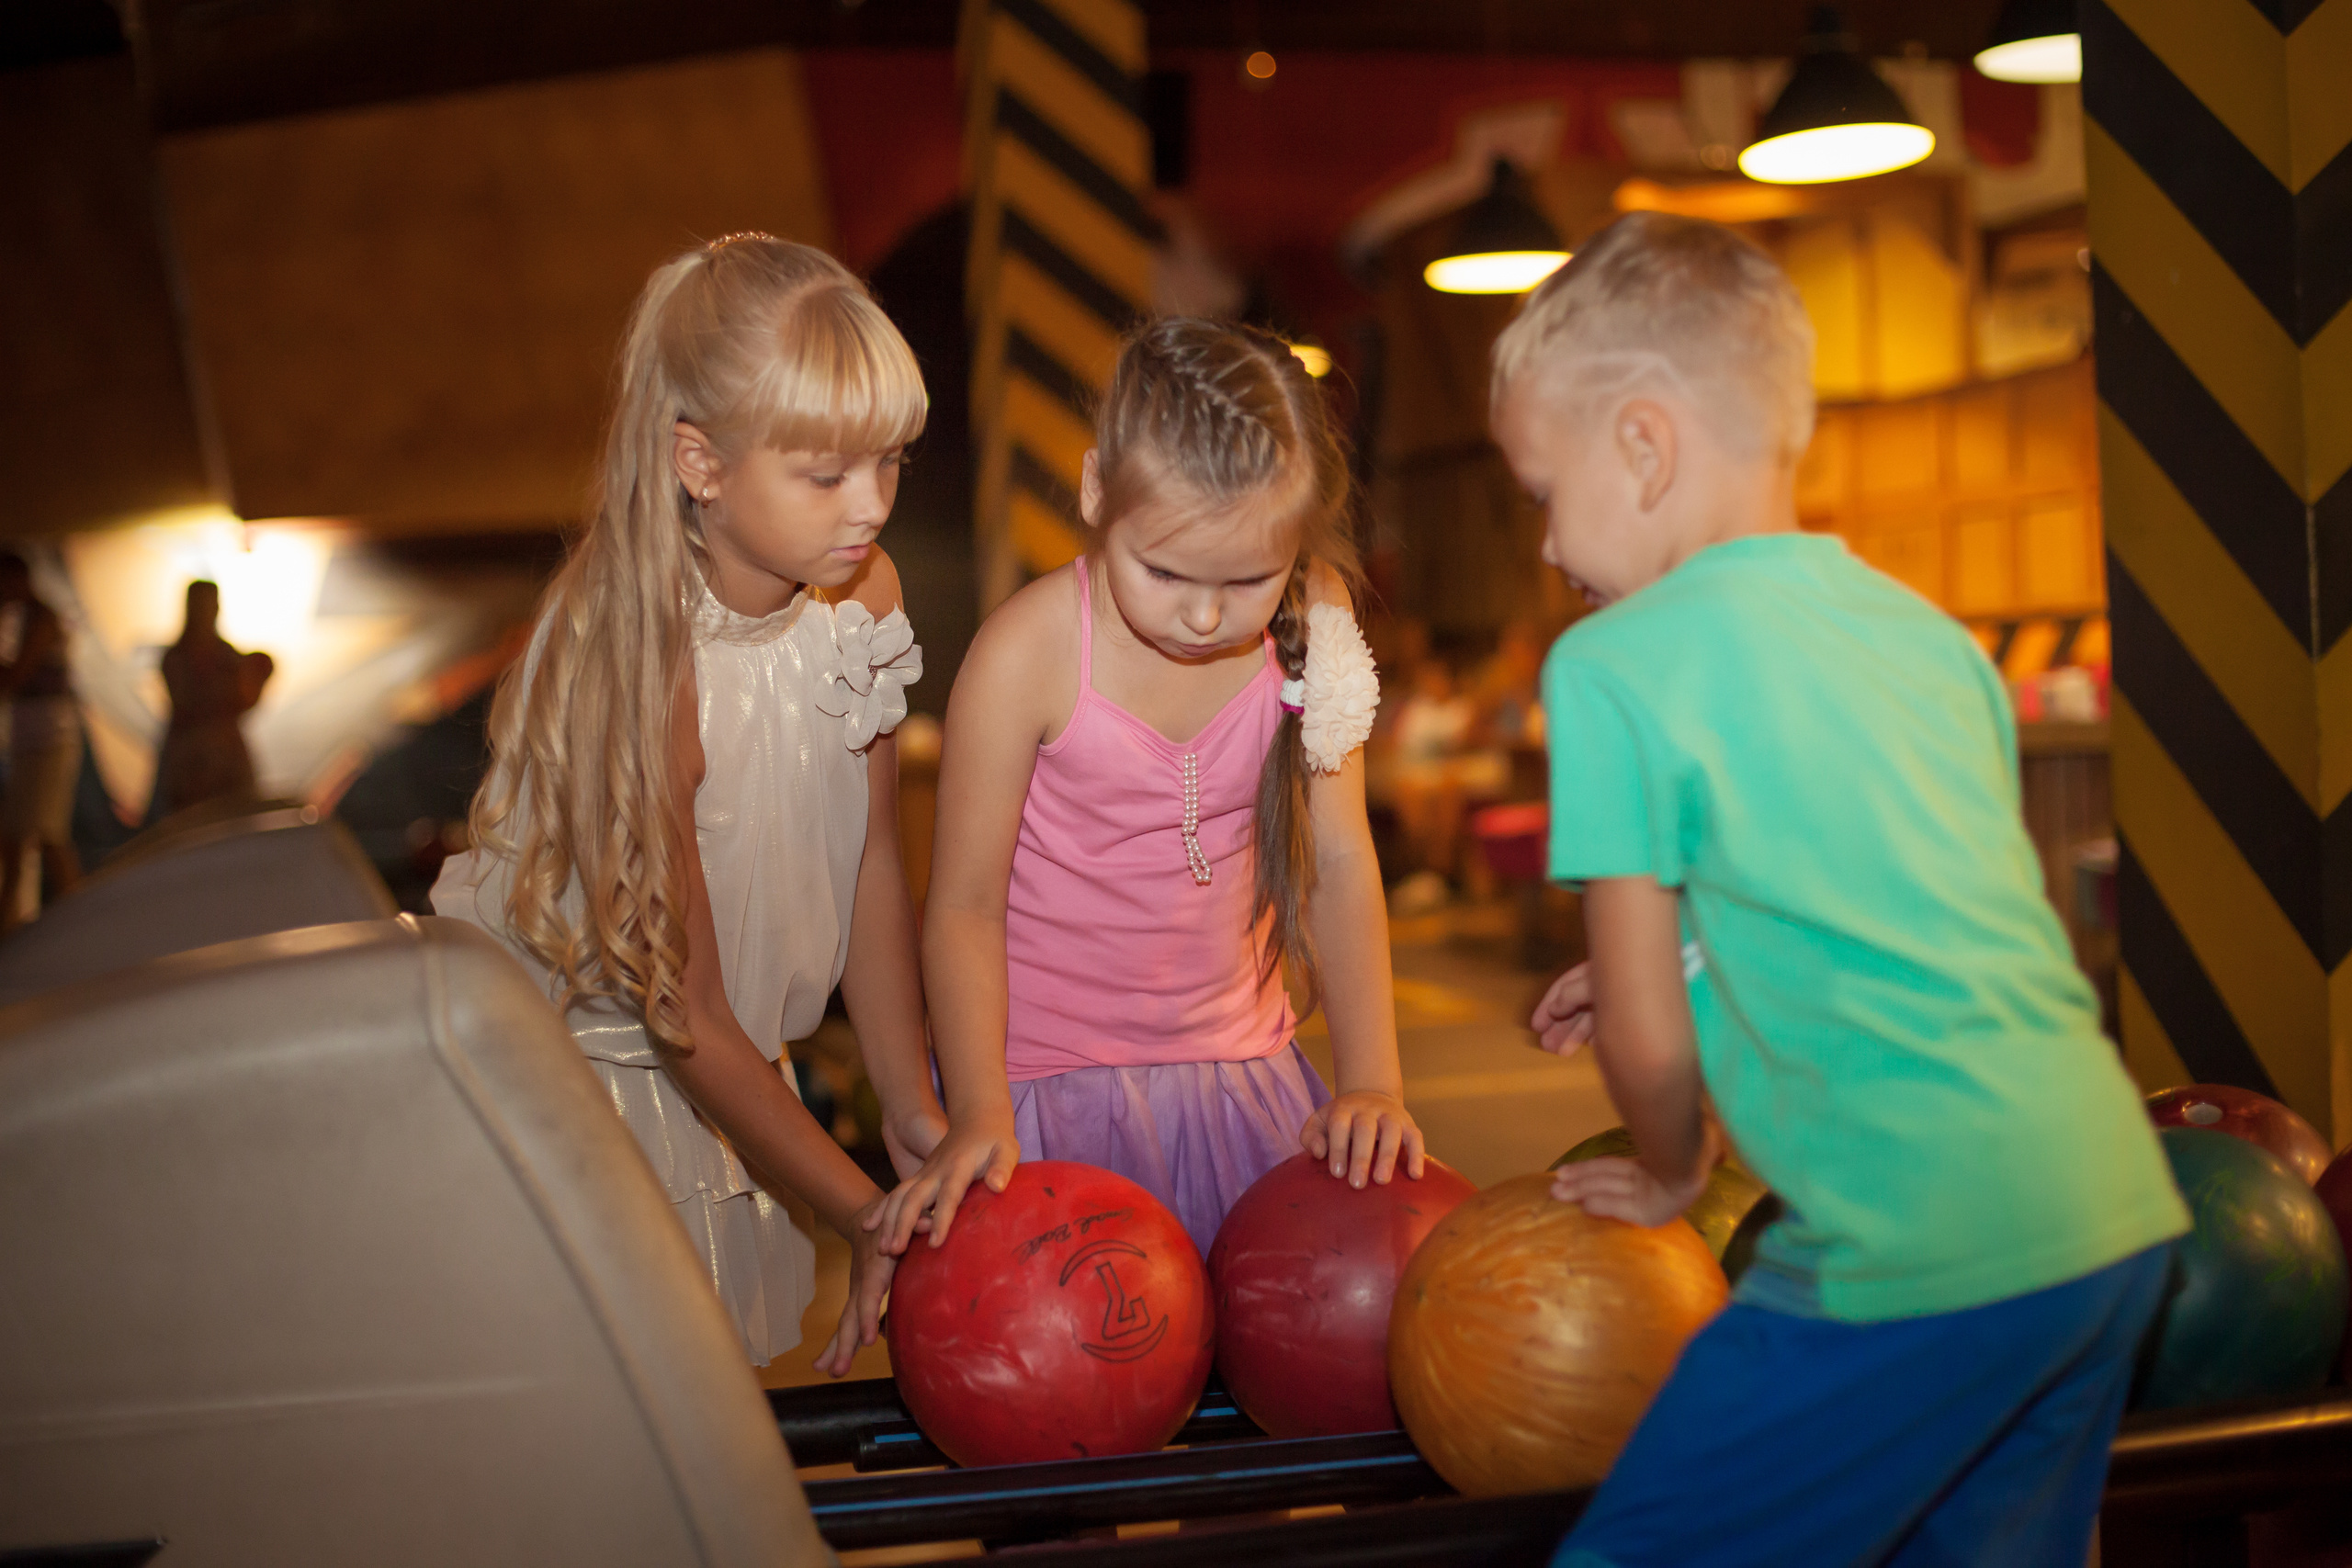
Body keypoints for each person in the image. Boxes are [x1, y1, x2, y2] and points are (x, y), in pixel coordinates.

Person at [1492, 213, 2189, 1568]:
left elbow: (1640, 1033)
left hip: (1911, 1245)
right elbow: (1905, 904)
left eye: (1538, 490)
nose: (1543, 543)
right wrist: (1701, 948)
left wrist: (1673, 1164)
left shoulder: (1613, 663)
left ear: (1641, 444)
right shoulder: (1929, 638)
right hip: (2108, 1213)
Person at [433, 234, 947, 1373]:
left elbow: (868, 865)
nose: (869, 507)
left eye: (891, 460)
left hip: (734, 1071)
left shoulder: (858, 590)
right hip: (605, 1093)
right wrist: (859, 1212)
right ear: (700, 463)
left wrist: (908, 1104)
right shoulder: (634, 655)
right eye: (825, 474)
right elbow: (683, 1011)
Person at [878, 319, 1428, 1260]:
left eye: (1251, 578)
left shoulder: (1316, 614)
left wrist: (1372, 1081)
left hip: (1244, 1085)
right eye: (1165, 572)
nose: (1206, 615)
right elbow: (963, 904)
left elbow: (1337, 856)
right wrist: (975, 1107)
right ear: (1096, 490)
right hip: (1047, 1094)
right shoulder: (1028, 653)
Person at [0, 553, 83, 926]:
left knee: (44, 835)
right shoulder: (21, 619)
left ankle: (75, 920)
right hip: (32, 740)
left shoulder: (41, 619)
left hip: (49, 740)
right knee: (24, 837)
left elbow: (18, 676)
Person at [151, 581, 274, 820]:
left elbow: (245, 699)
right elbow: (188, 702)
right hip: (190, 760)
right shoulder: (177, 658)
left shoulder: (228, 657)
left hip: (225, 759)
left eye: (210, 604)